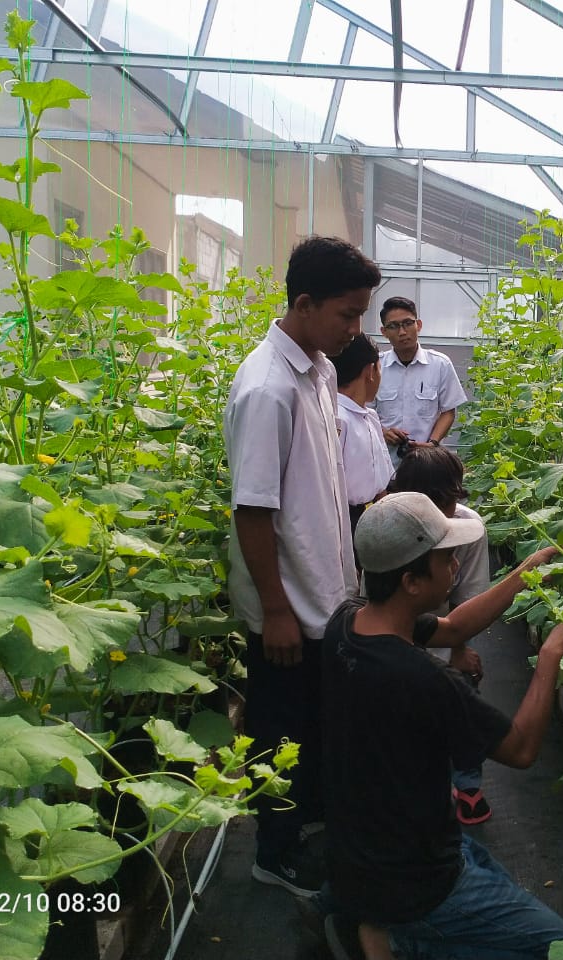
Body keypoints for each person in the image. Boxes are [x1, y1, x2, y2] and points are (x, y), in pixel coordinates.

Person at [321, 492, 563, 960]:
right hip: (419, 881)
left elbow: (453, 629)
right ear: (411, 582)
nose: (457, 568)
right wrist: (550, 657)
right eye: (447, 560)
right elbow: (522, 750)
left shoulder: (345, 624)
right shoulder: (427, 680)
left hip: (367, 852)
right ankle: (392, 938)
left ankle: (373, 924)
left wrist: (523, 576)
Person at [223, 235, 381, 898]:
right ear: (305, 302)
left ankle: (307, 830)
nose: (357, 329)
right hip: (286, 608)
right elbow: (253, 511)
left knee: (310, 729)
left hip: (320, 596)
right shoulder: (267, 388)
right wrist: (278, 610)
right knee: (278, 730)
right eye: (348, 314)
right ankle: (275, 853)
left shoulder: (315, 368)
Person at [388, 444, 493, 825]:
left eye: (446, 504)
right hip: (395, 637)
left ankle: (467, 785)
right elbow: (375, 601)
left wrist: (459, 649)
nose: (440, 516)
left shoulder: (468, 528)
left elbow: (469, 600)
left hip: (446, 629)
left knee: (462, 700)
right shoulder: (384, 525)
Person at [373, 296, 467, 459]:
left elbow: (448, 411)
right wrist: (383, 433)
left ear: (419, 325)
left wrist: (432, 443)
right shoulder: (375, 367)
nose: (402, 332)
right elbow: (365, 411)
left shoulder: (440, 364)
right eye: (393, 326)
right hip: (384, 461)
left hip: (425, 464)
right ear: (384, 332)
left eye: (408, 323)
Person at [331, 334, 393, 533]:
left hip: (373, 516)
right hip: (344, 521)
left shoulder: (370, 417)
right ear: (371, 371)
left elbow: (381, 483)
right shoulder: (338, 419)